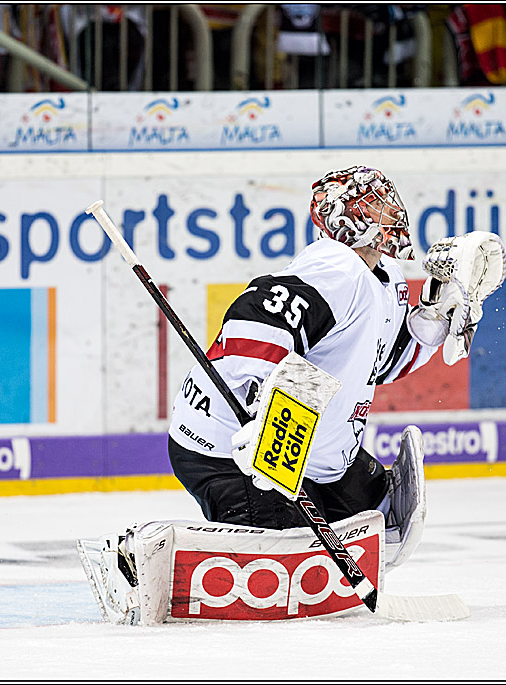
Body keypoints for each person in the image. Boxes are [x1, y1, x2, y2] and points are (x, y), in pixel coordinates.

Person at [168, 165, 470, 564]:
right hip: (230, 443)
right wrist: (261, 412)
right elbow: (258, 316)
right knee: (280, 561)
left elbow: (380, 363)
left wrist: (431, 323)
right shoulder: (337, 265)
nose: (391, 212)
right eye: (375, 205)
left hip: (300, 448)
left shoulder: (386, 277)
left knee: (374, 517)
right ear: (347, 219)